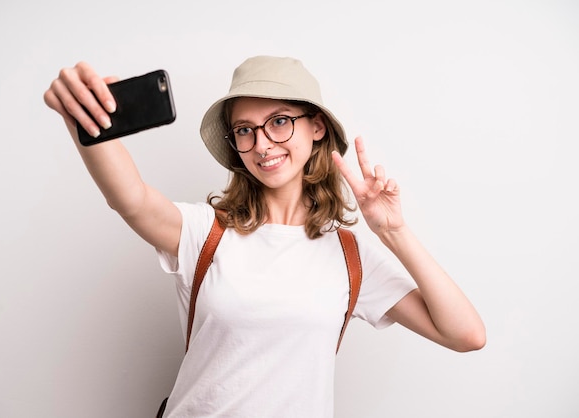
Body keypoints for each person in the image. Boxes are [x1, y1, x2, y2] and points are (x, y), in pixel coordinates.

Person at [44, 55, 486, 417]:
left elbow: (465, 335)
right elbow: (132, 201)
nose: (262, 144)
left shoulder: (352, 256)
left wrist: (394, 231)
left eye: (278, 122)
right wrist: (79, 116)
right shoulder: (206, 232)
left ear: (316, 128)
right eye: (245, 130)